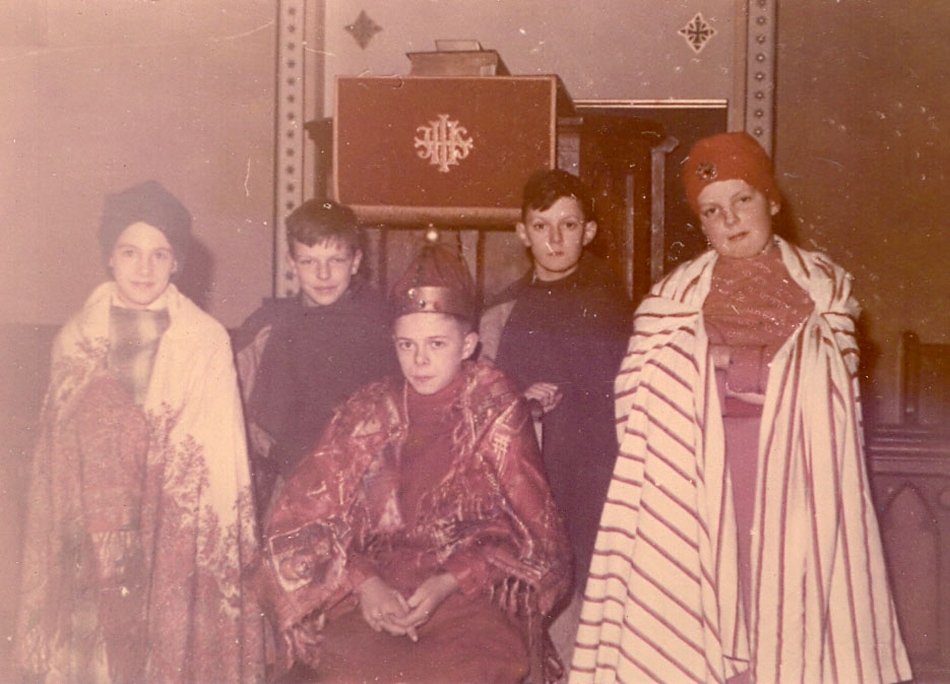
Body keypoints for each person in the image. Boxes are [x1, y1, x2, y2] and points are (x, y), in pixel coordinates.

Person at [571, 132, 912, 684]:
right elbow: (638, 390)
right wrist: (755, 367)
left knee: (779, 599)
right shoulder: (672, 298)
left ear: (772, 200)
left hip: (797, 474)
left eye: (742, 201)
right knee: (704, 598)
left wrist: (726, 364)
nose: (729, 220)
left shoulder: (824, 285)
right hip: (697, 472)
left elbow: (834, 371)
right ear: (701, 224)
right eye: (712, 211)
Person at [254, 235, 573, 684]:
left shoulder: (494, 405)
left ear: (468, 345)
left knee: (453, 672)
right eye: (406, 345)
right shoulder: (368, 410)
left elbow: (537, 535)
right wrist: (363, 583)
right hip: (375, 592)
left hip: (470, 594)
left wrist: (450, 581)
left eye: (437, 345)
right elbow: (300, 519)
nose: (420, 361)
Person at [14, 180, 264, 683]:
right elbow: (57, 459)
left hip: (173, 530)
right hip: (91, 534)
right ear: (110, 257)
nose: (144, 268)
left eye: (159, 254)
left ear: (177, 264)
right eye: (130, 252)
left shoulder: (204, 342)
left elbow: (218, 460)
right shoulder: (75, 341)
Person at [479, 169, 631, 649]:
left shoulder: (613, 305)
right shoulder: (503, 311)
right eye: (542, 226)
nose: (556, 238)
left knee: (597, 601)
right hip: (531, 474)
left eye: (569, 225)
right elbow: (481, 397)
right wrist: (519, 399)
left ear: (589, 231)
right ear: (523, 232)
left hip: (598, 471)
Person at [233, 199, 397, 523]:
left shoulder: (384, 321)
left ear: (356, 261)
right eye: (309, 261)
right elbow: (255, 423)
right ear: (292, 263)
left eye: (336, 260)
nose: (323, 274)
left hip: (374, 482)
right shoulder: (271, 326)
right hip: (295, 479)